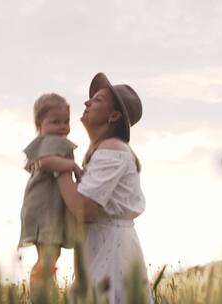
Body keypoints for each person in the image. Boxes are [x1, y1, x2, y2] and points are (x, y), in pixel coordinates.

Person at [49, 73, 151, 303]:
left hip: (111, 255)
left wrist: (60, 167)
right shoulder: (103, 151)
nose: (87, 102)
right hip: (103, 248)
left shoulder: (112, 150)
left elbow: (84, 207)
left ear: (114, 115)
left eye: (98, 100)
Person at [17, 93, 82, 293]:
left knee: (49, 255)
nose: (62, 127)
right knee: (49, 256)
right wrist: (72, 165)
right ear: (39, 123)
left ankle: (44, 290)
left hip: (42, 207)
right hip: (45, 209)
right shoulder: (53, 142)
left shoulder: (46, 141)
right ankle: (40, 293)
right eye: (55, 122)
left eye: (66, 121)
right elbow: (46, 162)